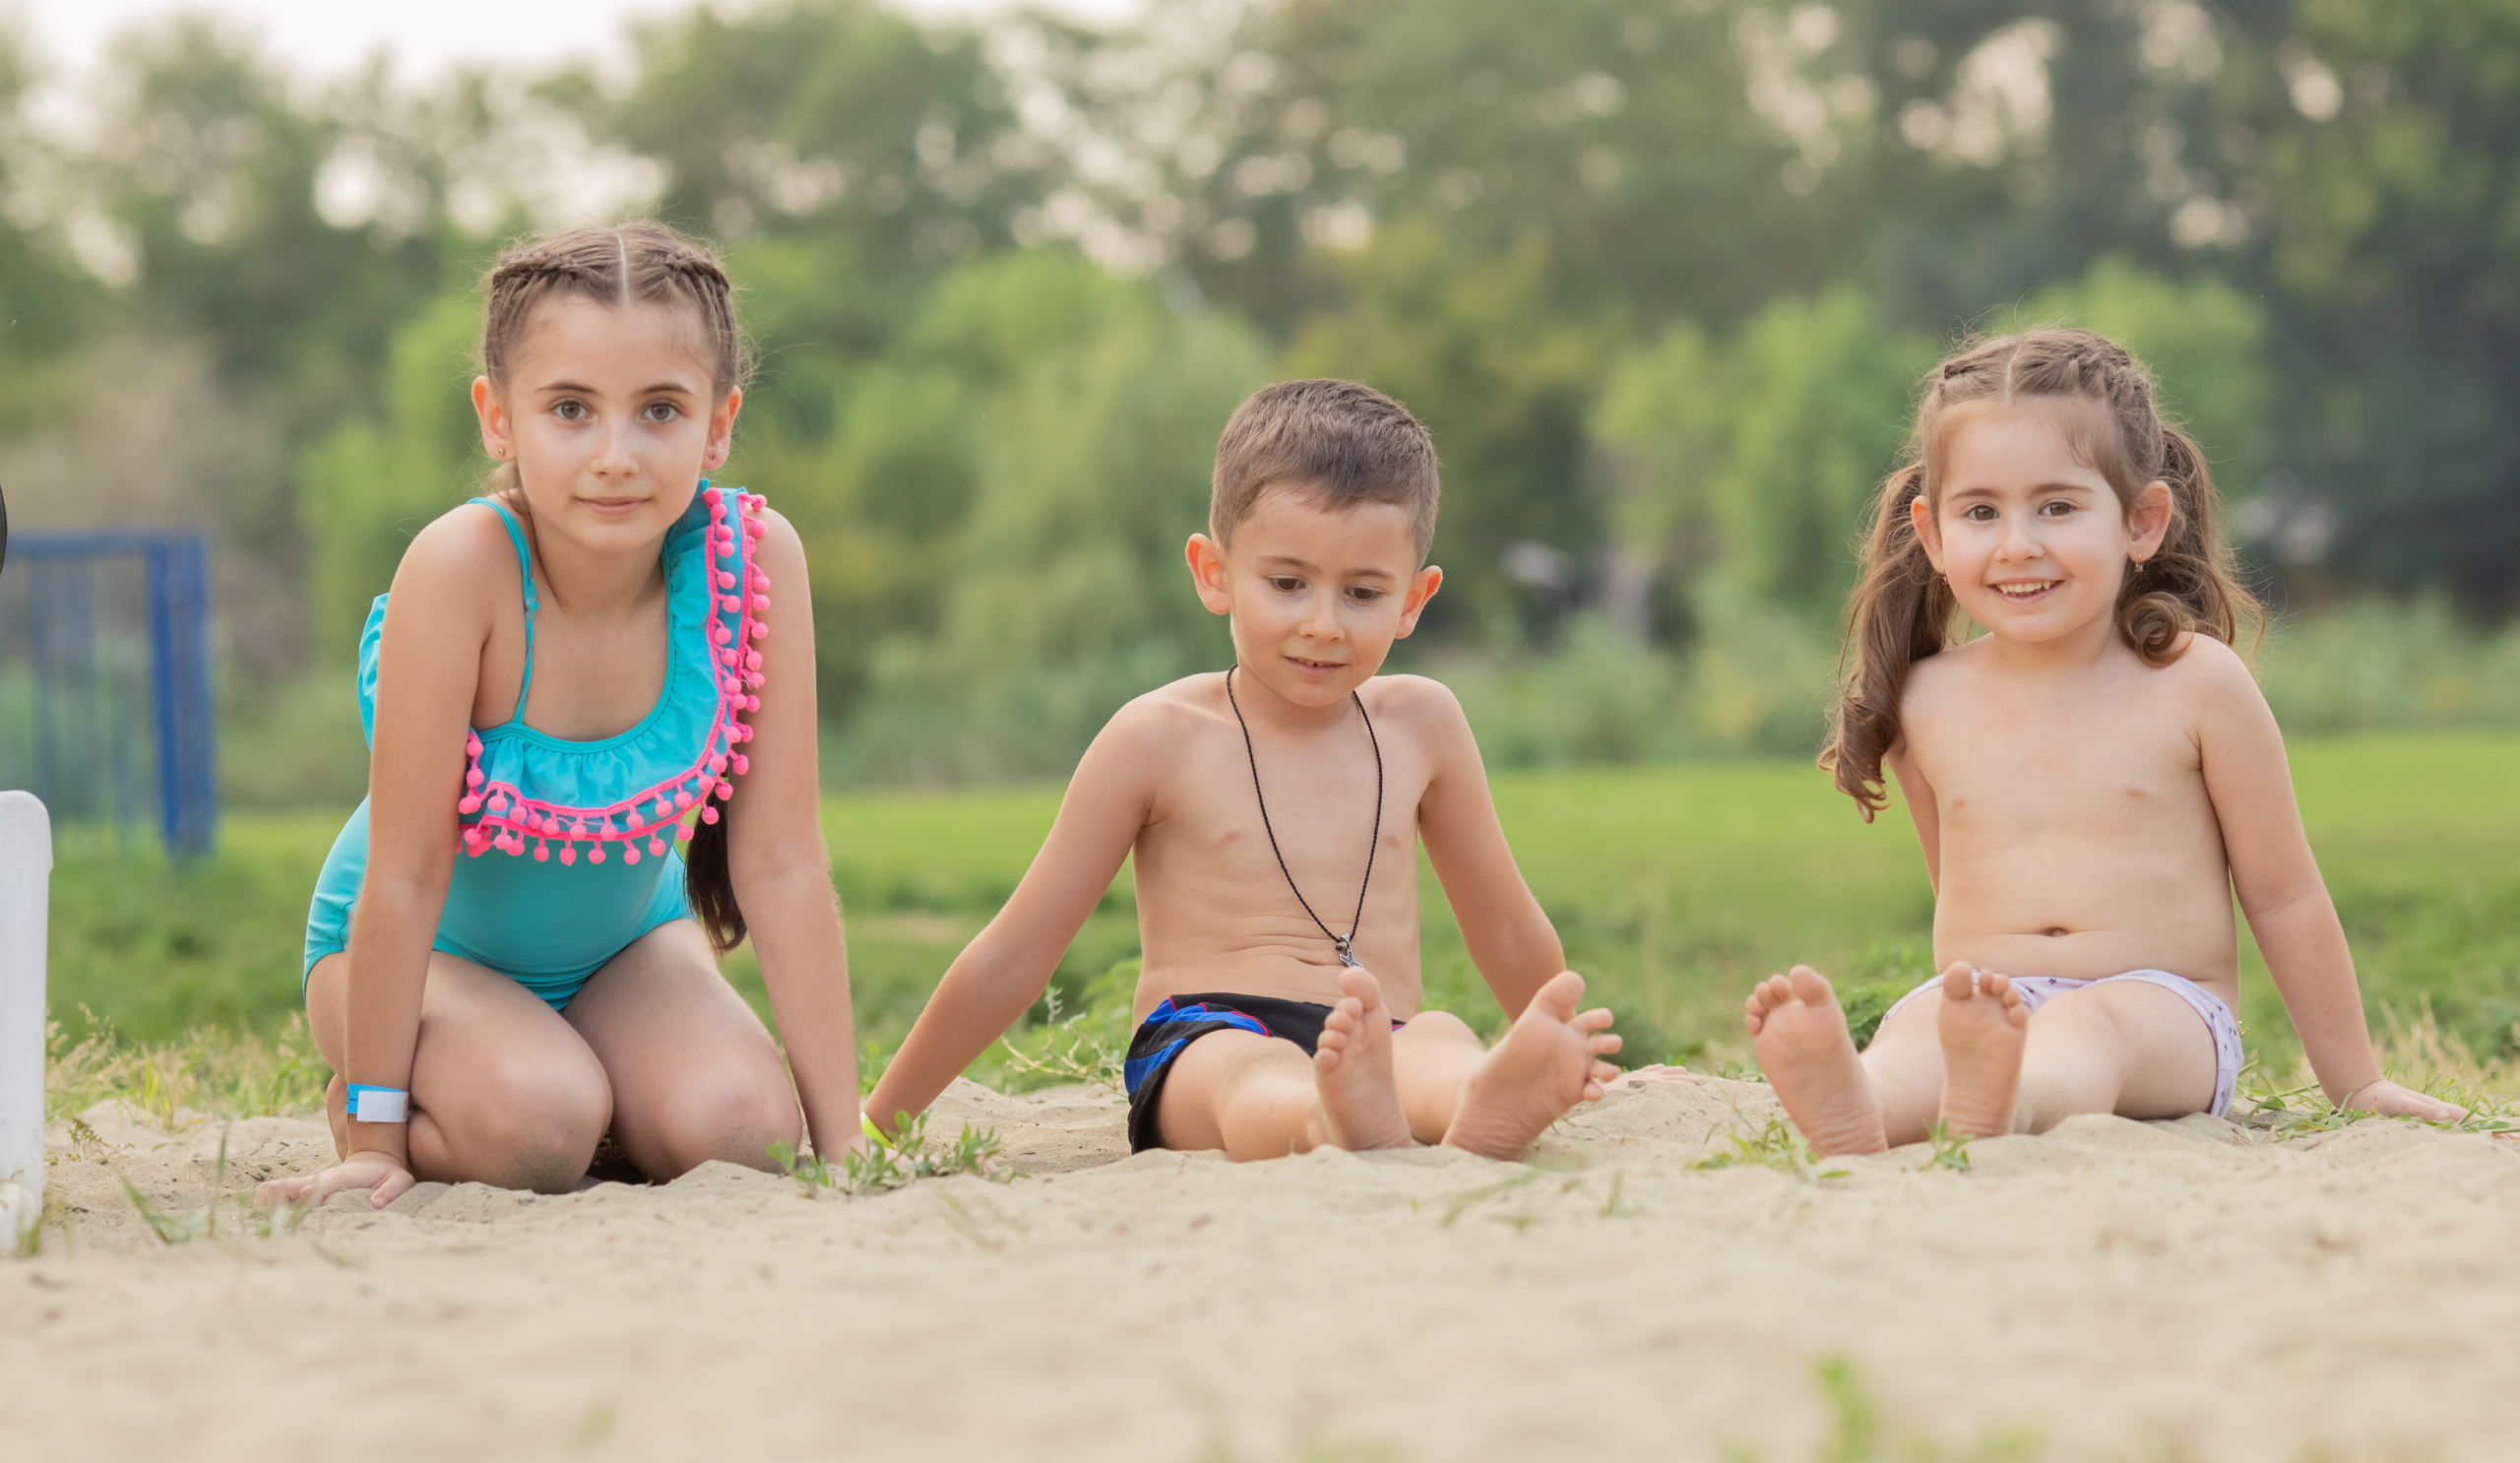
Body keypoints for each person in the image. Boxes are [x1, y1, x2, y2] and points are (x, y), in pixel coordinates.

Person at [1744, 326, 2465, 1154]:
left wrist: (2356, 1081)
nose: (2018, 543)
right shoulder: (1926, 701)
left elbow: (2285, 897)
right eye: (1980, 511)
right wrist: (1971, 1001)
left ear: (2142, 521)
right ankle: (1864, 1100)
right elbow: (1958, 891)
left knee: (2088, 1028)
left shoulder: (2196, 682)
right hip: (1990, 998)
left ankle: (2011, 1097)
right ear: (1933, 535)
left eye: (2057, 506)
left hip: (2165, 1010)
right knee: (1919, 1032)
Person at [861, 379, 1623, 1162]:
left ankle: (1473, 1094)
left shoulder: (1423, 725)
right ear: (1215, 572)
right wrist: (881, 1117)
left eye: (1363, 593)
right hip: (1205, 1030)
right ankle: (1328, 1117)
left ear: (1413, 599)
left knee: (1439, 1040)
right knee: (1245, 1073)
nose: (1323, 624)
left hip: (1378, 1032)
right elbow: (1013, 955)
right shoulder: (1157, 738)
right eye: (1287, 583)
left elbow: (1505, 925)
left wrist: (1564, 1042)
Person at [263, 223, 855, 1211]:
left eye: (660, 410)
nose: (615, 457)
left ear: (719, 424)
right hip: (421, 957)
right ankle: (426, 1097)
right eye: (571, 409)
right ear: (499, 418)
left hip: (625, 948)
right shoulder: (461, 569)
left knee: (744, 1134)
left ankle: (580, 1072)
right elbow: (404, 876)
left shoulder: (754, 562)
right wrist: (376, 1141)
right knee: (540, 1129)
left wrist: (843, 1145)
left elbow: (783, 861)